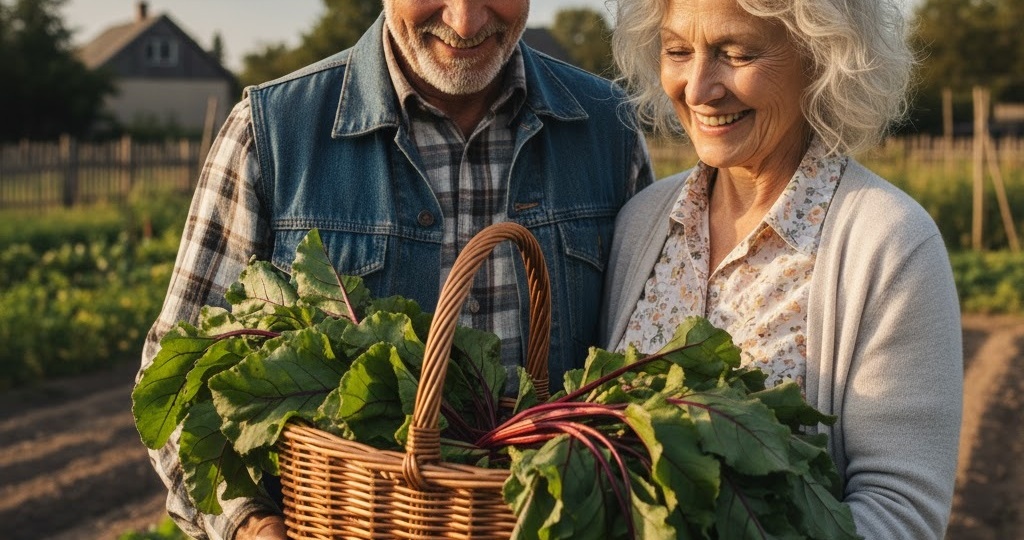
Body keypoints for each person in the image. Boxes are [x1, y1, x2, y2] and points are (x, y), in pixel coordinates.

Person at [138, 1, 653, 538]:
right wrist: (248, 523)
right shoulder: (271, 132)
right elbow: (174, 376)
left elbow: (645, 365)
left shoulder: (609, 130)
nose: (465, 21)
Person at [601, 0, 962, 538]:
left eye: (736, 54)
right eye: (677, 51)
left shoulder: (889, 243)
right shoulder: (642, 225)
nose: (698, 89)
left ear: (821, 57)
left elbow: (898, 511)